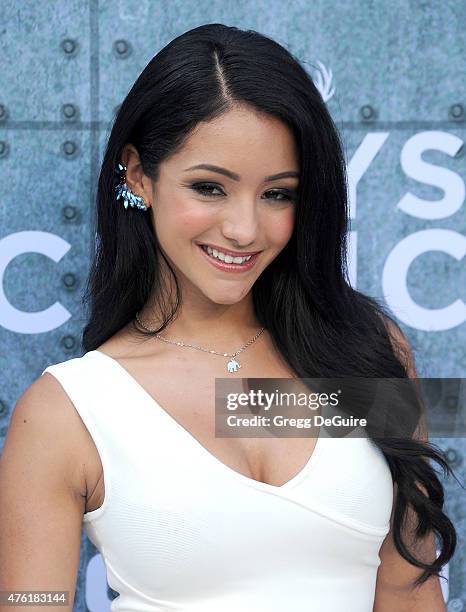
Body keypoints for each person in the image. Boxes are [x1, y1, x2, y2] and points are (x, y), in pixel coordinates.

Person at [0, 23, 458, 612]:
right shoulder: (67, 411)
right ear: (138, 173)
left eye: (277, 194)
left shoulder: (367, 350)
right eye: (210, 188)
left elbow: (410, 597)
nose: (244, 229)